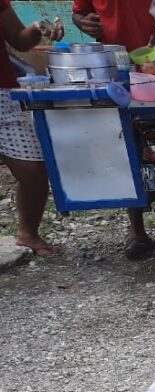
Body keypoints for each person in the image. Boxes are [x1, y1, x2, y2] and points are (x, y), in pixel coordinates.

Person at [72, 0, 155, 260]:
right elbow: (78, 14)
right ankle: (136, 230)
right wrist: (84, 22)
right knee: (126, 144)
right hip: (117, 72)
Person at [1, 3, 63, 256]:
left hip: (3, 93)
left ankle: (28, 233)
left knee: (34, 170)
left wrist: (38, 28)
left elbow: (18, 39)